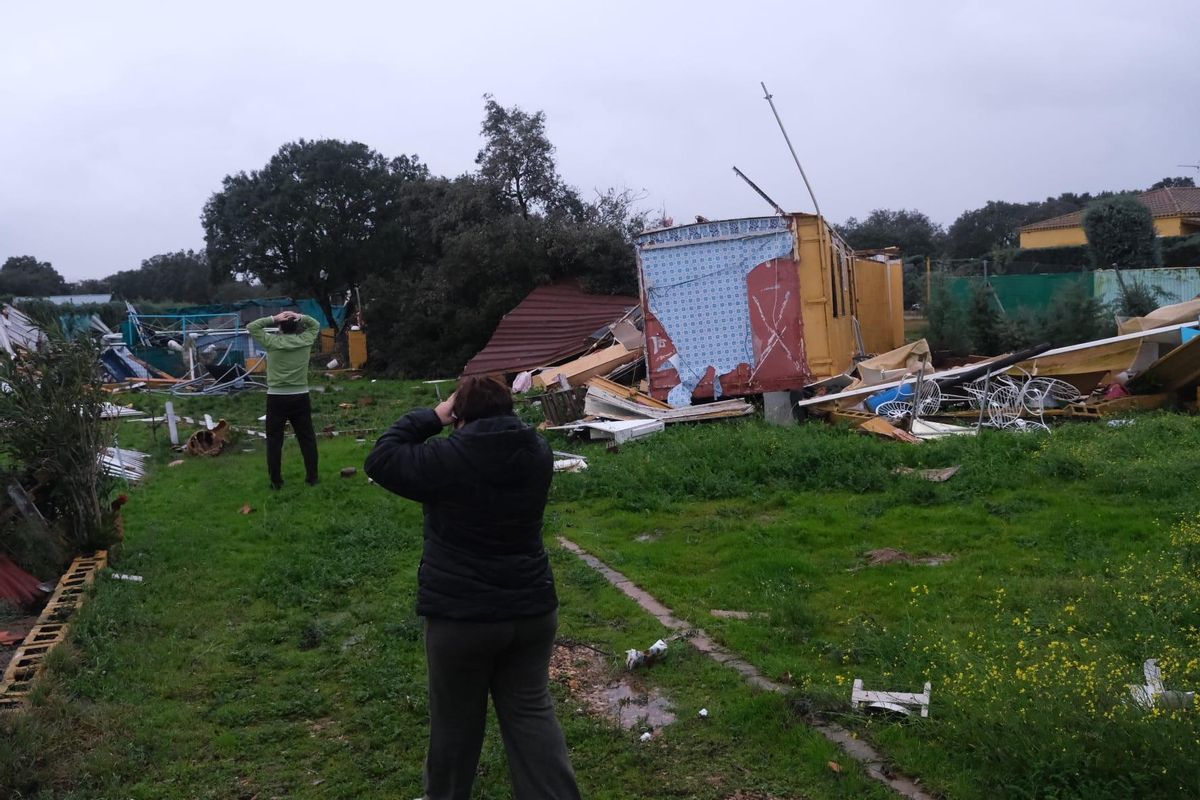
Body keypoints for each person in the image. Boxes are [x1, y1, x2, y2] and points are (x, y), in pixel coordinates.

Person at [364, 375, 581, 800]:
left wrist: (434, 416)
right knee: (531, 712)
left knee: (456, 722)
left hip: (461, 618)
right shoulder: (537, 451)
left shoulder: (446, 457)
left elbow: (382, 458)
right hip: (532, 610)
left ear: (459, 416)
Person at [246, 310, 321, 489]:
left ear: (279, 326)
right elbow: (315, 325)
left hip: (276, 398)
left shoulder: (272, 342)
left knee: (274, 441)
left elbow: (252, 327)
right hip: (300, 396)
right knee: (307, 439)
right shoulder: (305, 340)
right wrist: (300, 316)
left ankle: (276, 482)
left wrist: (273, 318)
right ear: (297, 326)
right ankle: (312, 478)